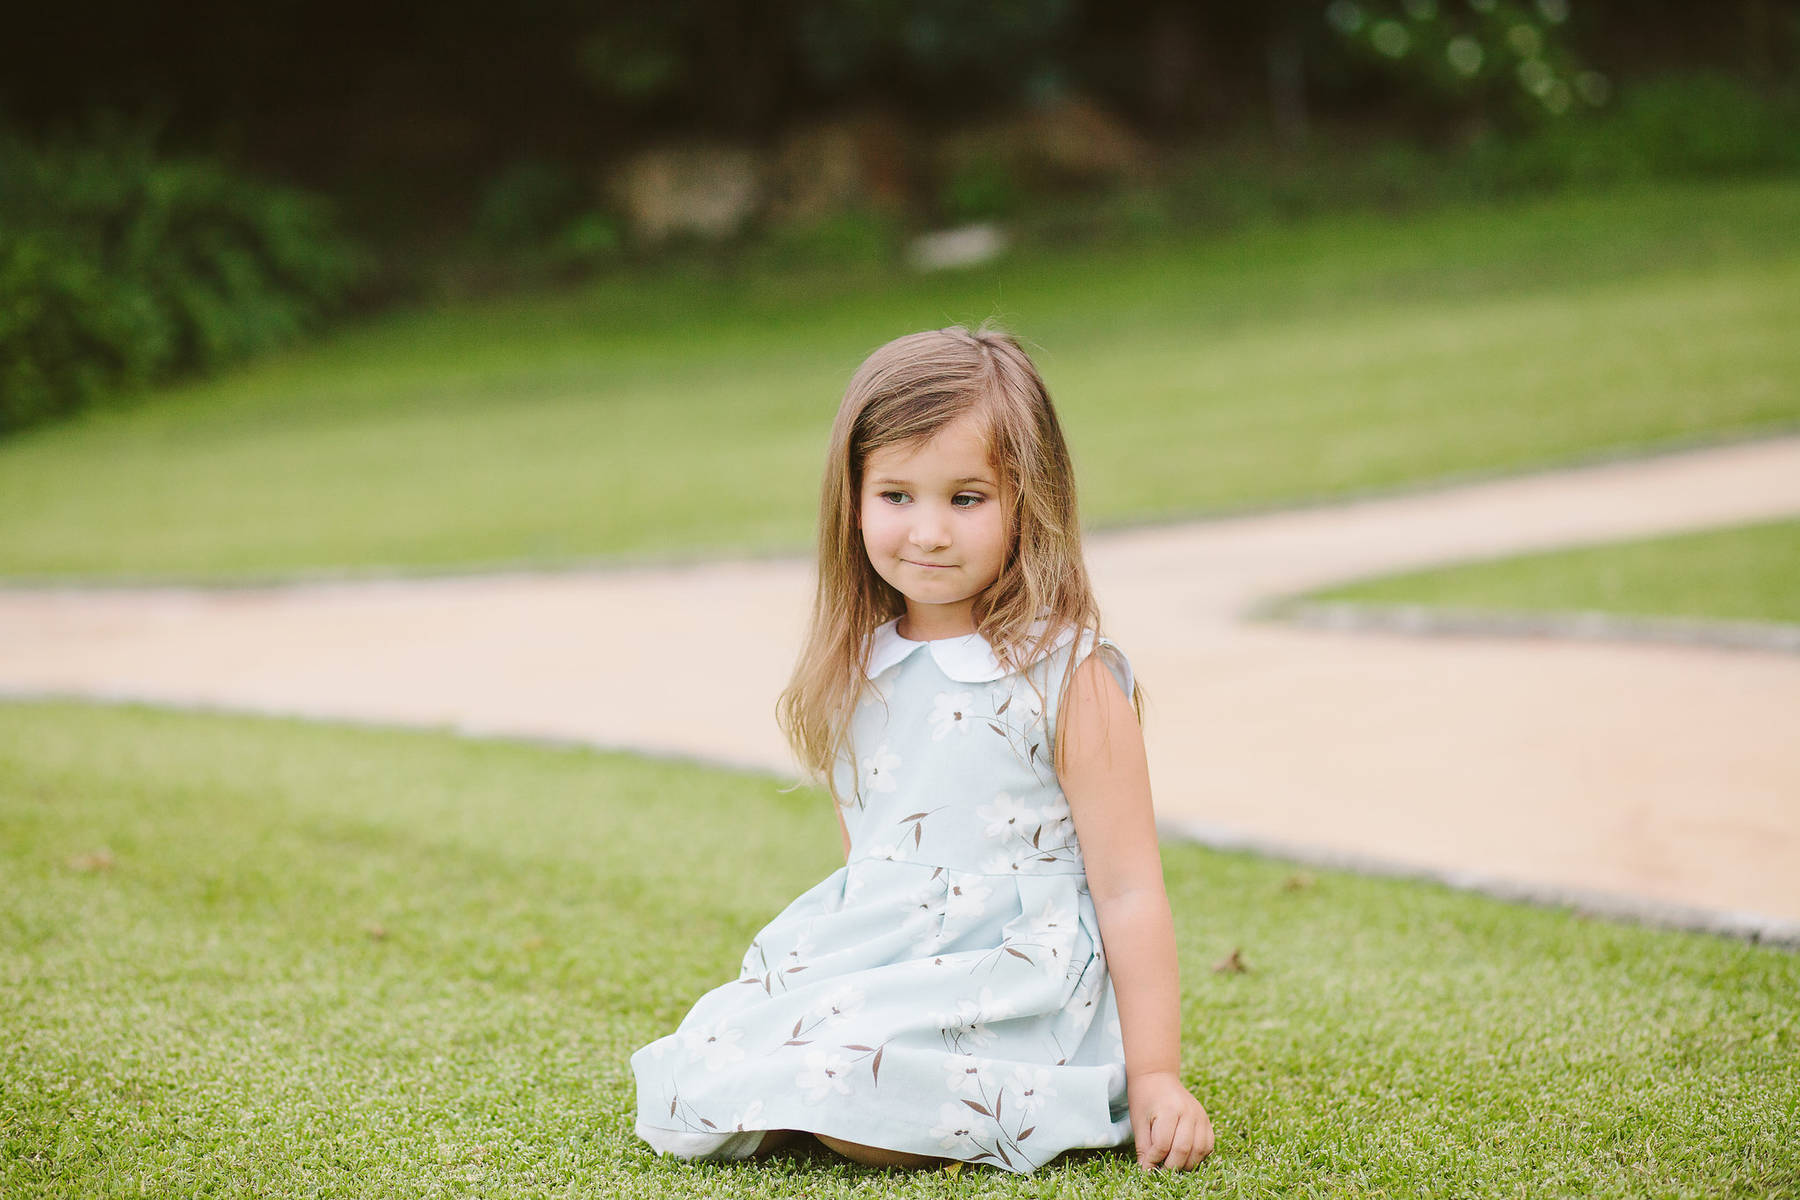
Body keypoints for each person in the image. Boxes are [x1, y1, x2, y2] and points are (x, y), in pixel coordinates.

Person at [630, 324, 1214, 1174]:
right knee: (708, 1068)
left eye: (966, 498)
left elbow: (1128, 889)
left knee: (859, 1114)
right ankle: (833, 1077)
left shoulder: (1067, 676)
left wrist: (1158, 1075)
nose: (929, 532)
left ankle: (876, 1092)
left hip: (1016, 977)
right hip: (889, 959)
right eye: (896, 496)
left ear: (1028, 500)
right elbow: (869, 863)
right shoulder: (858, 666)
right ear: (853, 500)